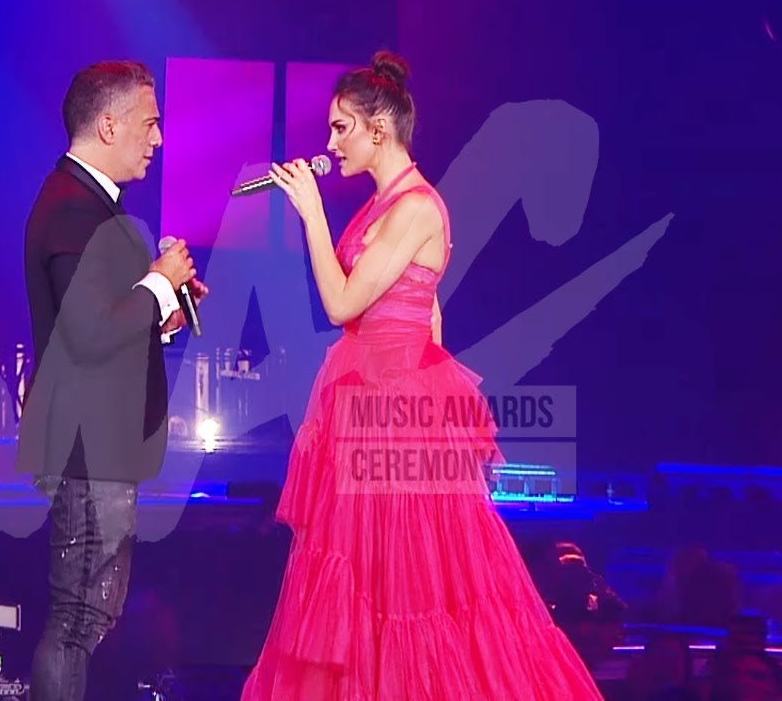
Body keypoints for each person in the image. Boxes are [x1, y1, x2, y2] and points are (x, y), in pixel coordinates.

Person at [241, 50, 603, 699]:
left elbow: (342, 304)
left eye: (341, 128)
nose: (331, 144)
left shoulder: (416, 207)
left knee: (415, 583)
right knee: (368, 583)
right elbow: (427, 310)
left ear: (379, 129)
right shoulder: (387, 204)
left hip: (392, 408)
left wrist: (312, 215)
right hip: (372, 400)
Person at [16, 60, 205, 701]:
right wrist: (159, 281)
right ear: (108, 124)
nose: (158, 139)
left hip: (100, 445)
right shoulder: (74, 210)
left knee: (88, 616)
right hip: (87, 448)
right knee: (77, 618)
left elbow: (103, 323)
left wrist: (163, 308)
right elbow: (89, 332)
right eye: (149, 123)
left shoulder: (88, 205)